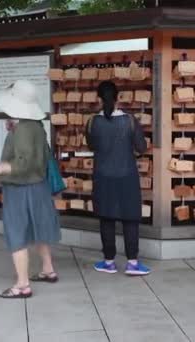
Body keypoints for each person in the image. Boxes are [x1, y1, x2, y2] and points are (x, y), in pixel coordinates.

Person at [0, 80, 61, 298]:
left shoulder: (23, 129)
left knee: (17, 233)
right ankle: (47, 269)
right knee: (39, 228)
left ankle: (23, 284)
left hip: (20, 187)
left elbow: (24, 162)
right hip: (39, 186)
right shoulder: (36, 125)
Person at [86, 81, 150, 276]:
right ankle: (132, 263)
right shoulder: (130, 121)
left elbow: (91, 146)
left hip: (103, 176)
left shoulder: (92, 122)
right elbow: (141, 148)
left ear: (99, 98)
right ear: (117, 97)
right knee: (130, 218)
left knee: (106, 218)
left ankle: (109, 262)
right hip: (127, 176)